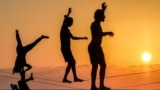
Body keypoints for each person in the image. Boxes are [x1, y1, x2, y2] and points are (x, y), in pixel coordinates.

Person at [88, 3, 114, 90]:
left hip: (96, 47)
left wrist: (103, 9)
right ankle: (96, 86)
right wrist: (108, 32)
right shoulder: (95, 24)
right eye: (103, 16)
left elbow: (99, 14)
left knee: (100, 65)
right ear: (100, 17)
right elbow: (99, 34)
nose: (105, 17)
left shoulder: (97, 23)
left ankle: (97, 86)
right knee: (99, 65)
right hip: (94, 47)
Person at [60, 8, 88, 83]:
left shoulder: (67, 30)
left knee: (72, 62)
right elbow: (64, 21)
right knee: (72, 62)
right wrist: (68, 13)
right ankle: (71, 78)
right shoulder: (63, 28)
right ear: (69, 22)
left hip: (67, 49)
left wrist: (82, 38)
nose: (72, 23)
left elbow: (73, 37)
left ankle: (70, 78)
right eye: (72, 22)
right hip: (65, 49)